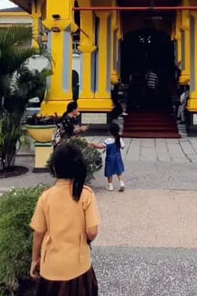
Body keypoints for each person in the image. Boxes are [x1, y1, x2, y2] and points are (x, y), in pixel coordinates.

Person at [30, 143, 100, 296]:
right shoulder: (85, 194)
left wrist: (35, 259)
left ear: (54, 168)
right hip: (78, 267)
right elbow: (92, 232)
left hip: (51, 269)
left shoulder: (46, 197)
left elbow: (38, 233)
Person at [90, 122, 126, 192]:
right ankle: (122, 182)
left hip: (110, 157)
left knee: (109, 171)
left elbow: (100, 146)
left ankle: (110, 185)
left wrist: (93, 144)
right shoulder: (119, 139)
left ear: (110, 132)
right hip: (118, 156)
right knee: (119, 170)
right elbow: (123, 147)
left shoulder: (108, 140)